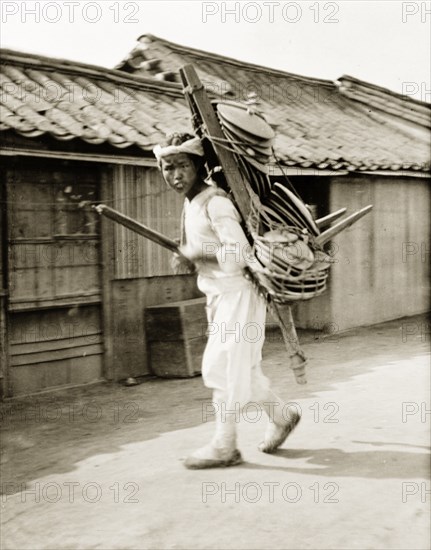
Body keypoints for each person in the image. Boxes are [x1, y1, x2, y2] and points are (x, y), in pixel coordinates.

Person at [153, 133, 300, 469]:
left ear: (198, 166)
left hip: (240, 293)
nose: (174, 175)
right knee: (243, 369)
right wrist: (194, 257)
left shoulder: (215, 202)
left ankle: (225, 446)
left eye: (181, 166)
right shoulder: (191, 203)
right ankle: (283, 416)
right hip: (219, 295)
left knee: (221, 368)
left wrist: (196, 254)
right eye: (167, 167)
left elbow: (239, 253)